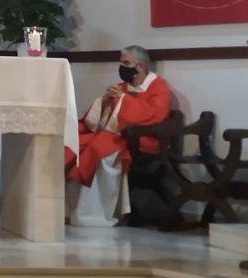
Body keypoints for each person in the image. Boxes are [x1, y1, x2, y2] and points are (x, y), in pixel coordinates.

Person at [64, 45, 170, 227]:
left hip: (142, 140)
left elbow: (154, 115)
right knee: (76, 145)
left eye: (126, 63)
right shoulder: (123, 87)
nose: (121, 66)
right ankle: (71, 209)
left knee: (99, 148)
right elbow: (103, 119)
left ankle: (96, 213)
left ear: (141, 67)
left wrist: (123, 100)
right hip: (116, 135)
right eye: (121, 62)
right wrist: (104, 102)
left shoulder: (157, 87)